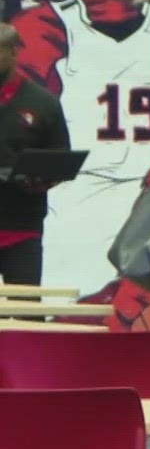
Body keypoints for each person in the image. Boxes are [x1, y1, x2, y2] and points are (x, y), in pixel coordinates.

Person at [0, 23, 71, 285]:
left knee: (26, 313)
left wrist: (40, 180)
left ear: (14, 52)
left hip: (22, 225)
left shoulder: (44, 103)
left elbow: (60, 157)